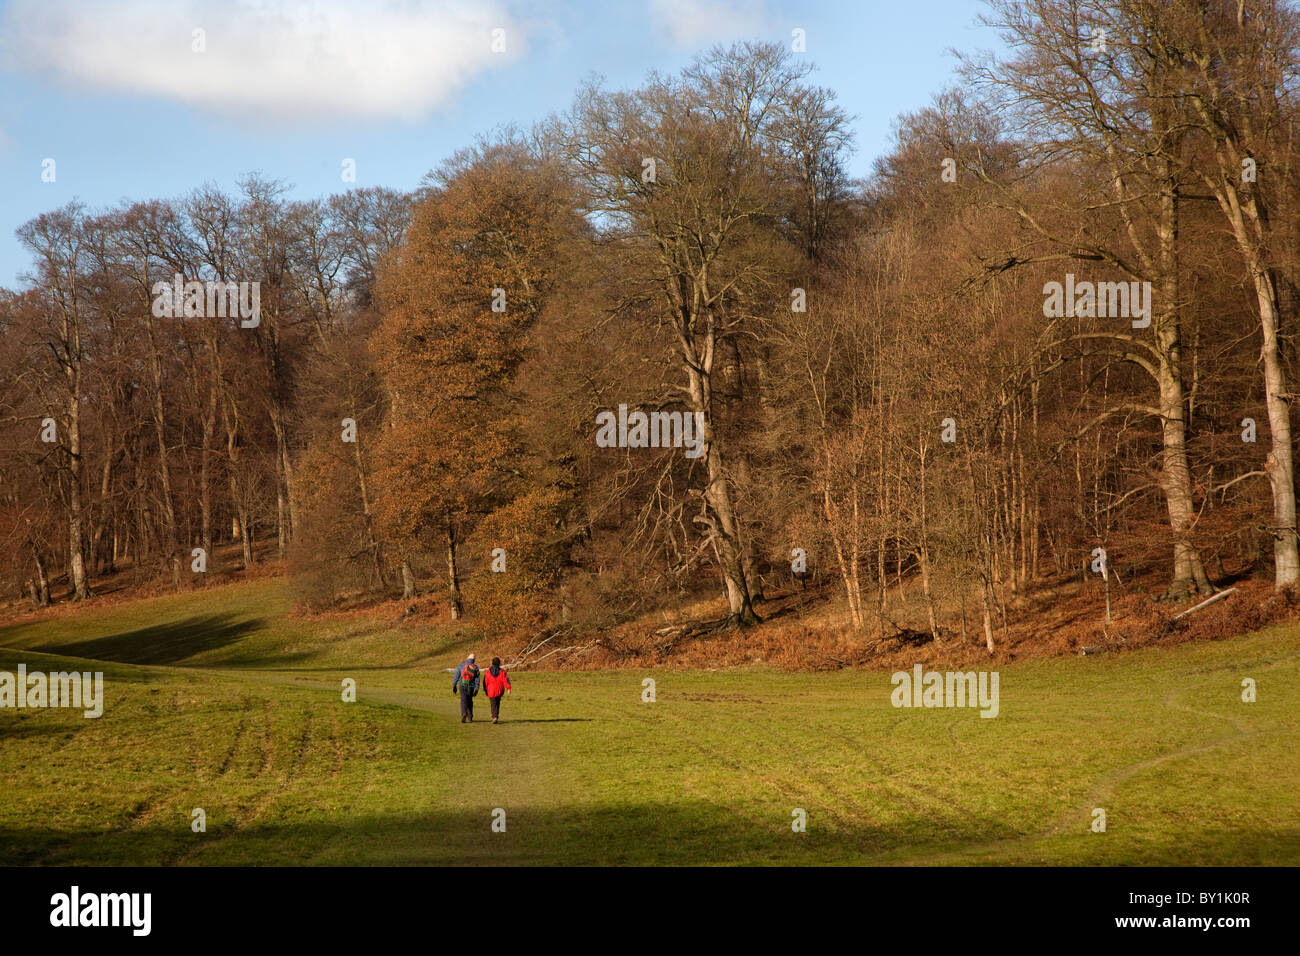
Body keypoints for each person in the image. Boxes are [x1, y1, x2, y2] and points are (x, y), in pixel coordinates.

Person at [482, 657, 512, 724]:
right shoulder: (502, 672)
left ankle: (494, 717)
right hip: (499, 690)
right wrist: (508, 688)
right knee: (497, 704)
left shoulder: (488, 672)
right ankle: (496, 716)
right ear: (499, 663)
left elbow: (485, 681)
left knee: (493, 704)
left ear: (492, 663)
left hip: (491, 690)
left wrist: (485, 689)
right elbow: (506, 680)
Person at [453, 653, 480, 723]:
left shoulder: (462, 665)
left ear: (467, 658)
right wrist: (476, 688)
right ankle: (470, 717)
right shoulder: (475, 667)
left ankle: (464, 713)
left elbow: (456, 675)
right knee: (469, 701)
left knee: (463, 700)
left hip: (462, 685)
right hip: (471, 686)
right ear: (474, 660)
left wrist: (454, 685)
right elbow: (477, 679)